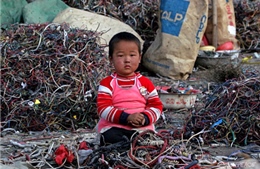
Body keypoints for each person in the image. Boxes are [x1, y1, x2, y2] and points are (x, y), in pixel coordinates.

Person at [96, 32, 163, 146]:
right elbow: (103, 108)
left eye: (132, 55)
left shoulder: (145, 82)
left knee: (147, 139)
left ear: (140, 58)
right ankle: (129, 144)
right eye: (121, 55)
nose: (127, 60)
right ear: (111, 59)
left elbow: (156, 106)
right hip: (114, 127)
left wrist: (145, 118)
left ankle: (134, 143)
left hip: (140, 129)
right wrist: (126, 118)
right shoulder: (107, 83)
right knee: (108, 137)